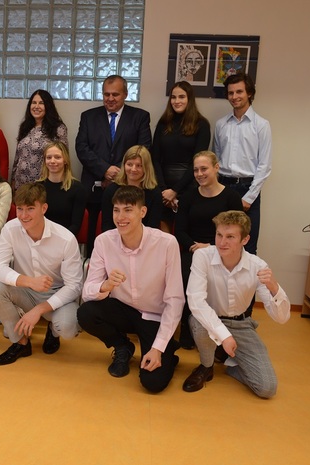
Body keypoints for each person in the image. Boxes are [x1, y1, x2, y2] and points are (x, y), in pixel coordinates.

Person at [77, 186, 183, 393]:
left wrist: (158, 348)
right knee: (86, 313)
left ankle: (167, 349)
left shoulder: (166, 243)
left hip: (153, 317)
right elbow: (87, 292)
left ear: (142, 212)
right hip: (123, 310)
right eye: (116, 210)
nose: (120, 217)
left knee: (153, 383)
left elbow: (175, 299)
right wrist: (105, 286)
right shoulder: (104, 241)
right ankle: (122, 346)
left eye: (128, 210)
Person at [183, 210, 290, 398]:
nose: (222, 242)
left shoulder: (258, 266)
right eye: (219, 235)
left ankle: (230, 364)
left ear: (245, 240)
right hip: (209, 320)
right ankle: (206, 366)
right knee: (198, 322)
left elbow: (281, 318)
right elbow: (196, 301)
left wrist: (274, 288)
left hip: (241, 324)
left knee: (267, 388)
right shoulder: (203, 256)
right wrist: (224, 336)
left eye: (230, 237)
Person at [0, 182, 83, 365]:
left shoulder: (65, 238)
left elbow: (74, 286)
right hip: (26, 290)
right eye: (20, 209)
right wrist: (29, 281)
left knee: (67, 328)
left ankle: (53, 330)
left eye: (30, 209)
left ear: (44, 208)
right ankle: (21, 343)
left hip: (57, 294)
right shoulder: (10, 229)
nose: (24, 215)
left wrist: (39, 310)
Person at [174, 151, 243, 349]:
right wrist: (195, 247)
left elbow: (237, 232)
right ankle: (187, 329)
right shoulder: (188, 196)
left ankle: (220, 332)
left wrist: (211, 247)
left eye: (204, 169)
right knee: (184, 277)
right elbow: (180, 231)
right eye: (196, 170)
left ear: (216, 168)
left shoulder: (231, 197)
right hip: (193, 250)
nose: (199, 174)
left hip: (223, 251)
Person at [75, 75, 152, 254]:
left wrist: (118, 173)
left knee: (126, 234)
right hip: (94, 188)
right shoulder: (88, 117)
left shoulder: (140, 117)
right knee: (94, 237)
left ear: (125, 94)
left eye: (115, 94)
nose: (110, 98)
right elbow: (81, 148)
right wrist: (105, 170)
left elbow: (144, 148)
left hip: (128, 186)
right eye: (106, 94)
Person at [213, 73, 272, 254]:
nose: (234, 96)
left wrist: (249, 197)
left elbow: (264, 165)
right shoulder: (221, 124)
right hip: (223, 187)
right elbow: (215, 159)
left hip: (248, 188)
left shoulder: (261, 125)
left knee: (248, 245)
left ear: (249, 93)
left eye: (239, 92)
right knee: (221, 242)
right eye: (231, 93)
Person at [151, 81, 210, 231]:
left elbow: (197, 163)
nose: (177, 101)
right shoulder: (163, 123)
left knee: (185, 235)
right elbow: (155, 159)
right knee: (164, 238)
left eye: (181, 97)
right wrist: (164, 190)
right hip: (163, 189)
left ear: (189, 99)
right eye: (173, 97)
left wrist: (175, 191)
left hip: (189, 187)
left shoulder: (202, 124)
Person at [11, 89, 68, 191]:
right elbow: (17, 157)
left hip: (43, 185)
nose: (36, 106)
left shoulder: (58, 128)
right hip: (21, 185)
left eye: (41, 103)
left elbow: (63, 157)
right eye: (34, 103)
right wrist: (12, 181)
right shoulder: (25, 126)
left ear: (48, 106)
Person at [101, 145, 162, 232]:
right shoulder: (111, 190)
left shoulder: (154, 193)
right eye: (129, 164)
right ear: (124, 165)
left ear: (146, 168)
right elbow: (107, 225)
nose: (133, 169)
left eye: (139, 166)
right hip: (116, 237)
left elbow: (153, 228)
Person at [37, 141, 86, 236]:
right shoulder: (37, 187)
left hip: (65, 239)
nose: (52, 161)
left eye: (57, 157)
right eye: (49, 157)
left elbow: (75, 226)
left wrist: (58, 241)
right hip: (39, 237)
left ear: (65, 160)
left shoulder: (78, 189)